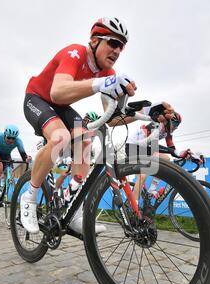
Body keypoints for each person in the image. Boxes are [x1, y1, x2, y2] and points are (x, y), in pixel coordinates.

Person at [20, 17, 175, 235]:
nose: (117, 51)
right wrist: (101, 83)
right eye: (113, 43)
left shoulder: (108, 74)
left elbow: (113, 118)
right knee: (60, 138)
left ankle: (73, 212)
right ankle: (30, 197)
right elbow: (57, 91)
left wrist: (149, 114)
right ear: (94, 41)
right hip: (37, 98)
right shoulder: (75, 53)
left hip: (61, 106)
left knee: (85, 139)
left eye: (121, 46)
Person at [0, 125, 31, 205]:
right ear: (5, 134)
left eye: (13, 138)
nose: (11, 140)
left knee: (9, 172)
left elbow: (23, 155)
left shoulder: (18, 141)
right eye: (9, 137)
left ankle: (3, 192)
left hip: (7, 156)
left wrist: (27, 159)